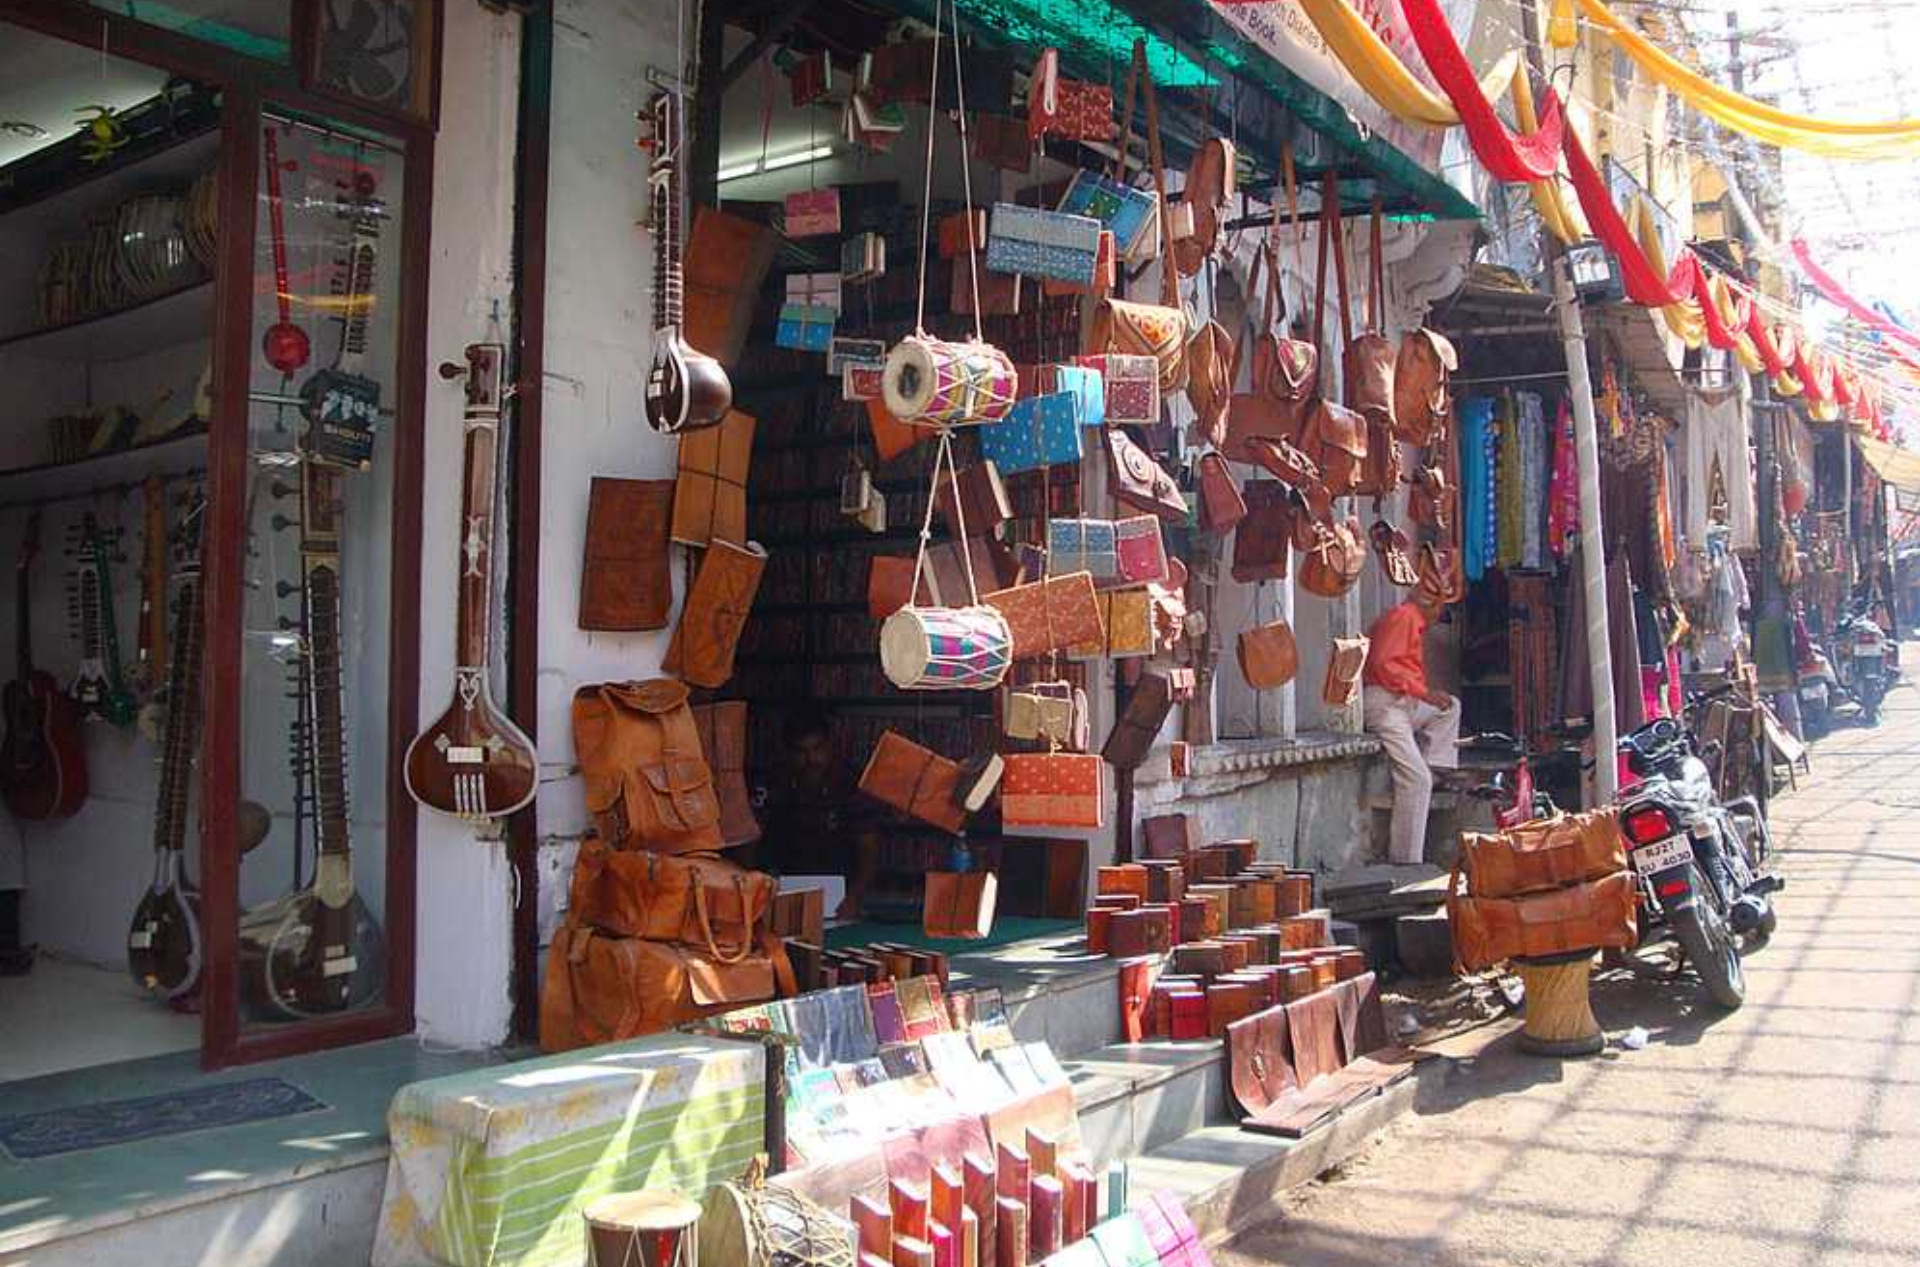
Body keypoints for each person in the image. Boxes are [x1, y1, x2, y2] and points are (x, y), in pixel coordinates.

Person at [1361, 585, 1460, 866]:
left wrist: (1424, 695)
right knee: (1416, 781)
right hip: (1385, 703)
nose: (1440, 614)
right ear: (1432, 605)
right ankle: (1406, 861)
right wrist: (1424, 693)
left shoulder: (1407, 618)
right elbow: (1383, 665)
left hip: (1403, 702)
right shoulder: (1404, 616)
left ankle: (1436, 767)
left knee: (1450, 707)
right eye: (1441, 607)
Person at [750, 710, 879, 920]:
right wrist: (751, 892)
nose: (811, 759)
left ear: (830, 746)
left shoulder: (852, 783)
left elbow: (868, 847)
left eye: (817, 748)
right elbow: (750, 839)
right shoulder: (770, 783)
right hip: (779, 885)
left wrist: (855, 895)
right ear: (787, 752)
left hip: (839, 889)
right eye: (801, 752)